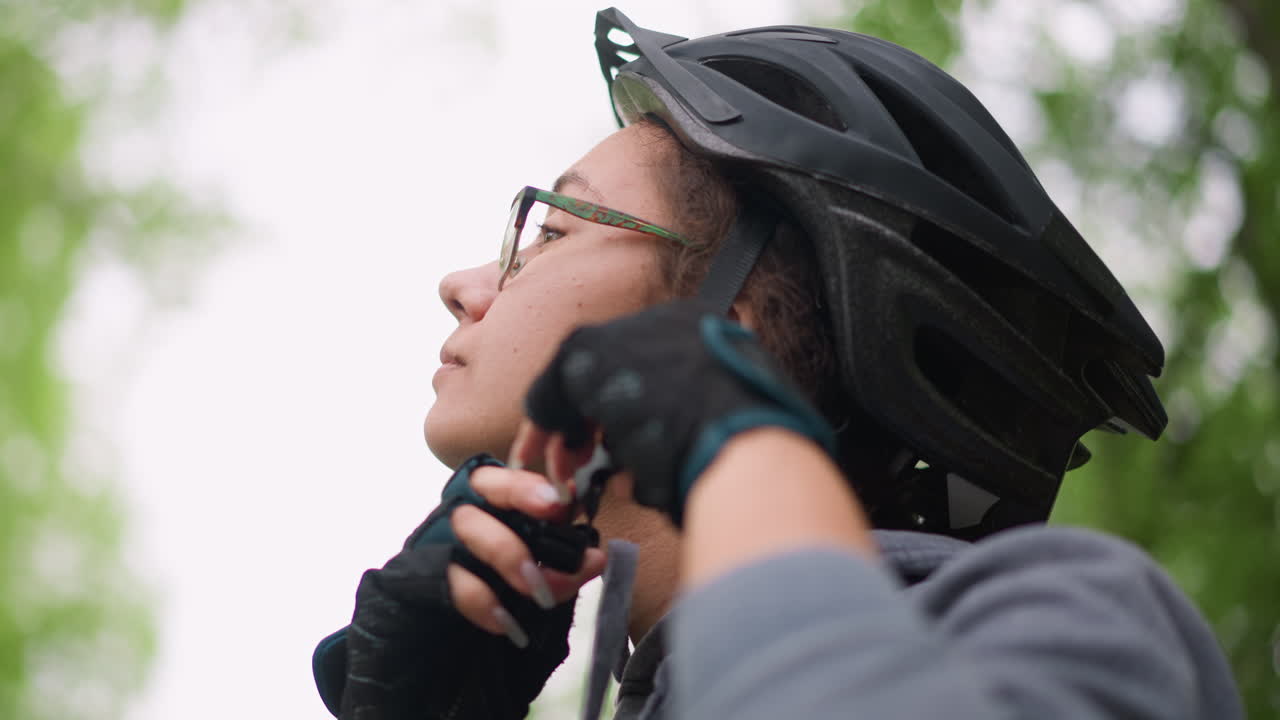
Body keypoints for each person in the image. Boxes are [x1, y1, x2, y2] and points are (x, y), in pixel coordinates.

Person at [312, 8, 1243, 719]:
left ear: (731, 324)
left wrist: (743, 452)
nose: (462, 285)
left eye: (551, 230)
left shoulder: (1077, 623)